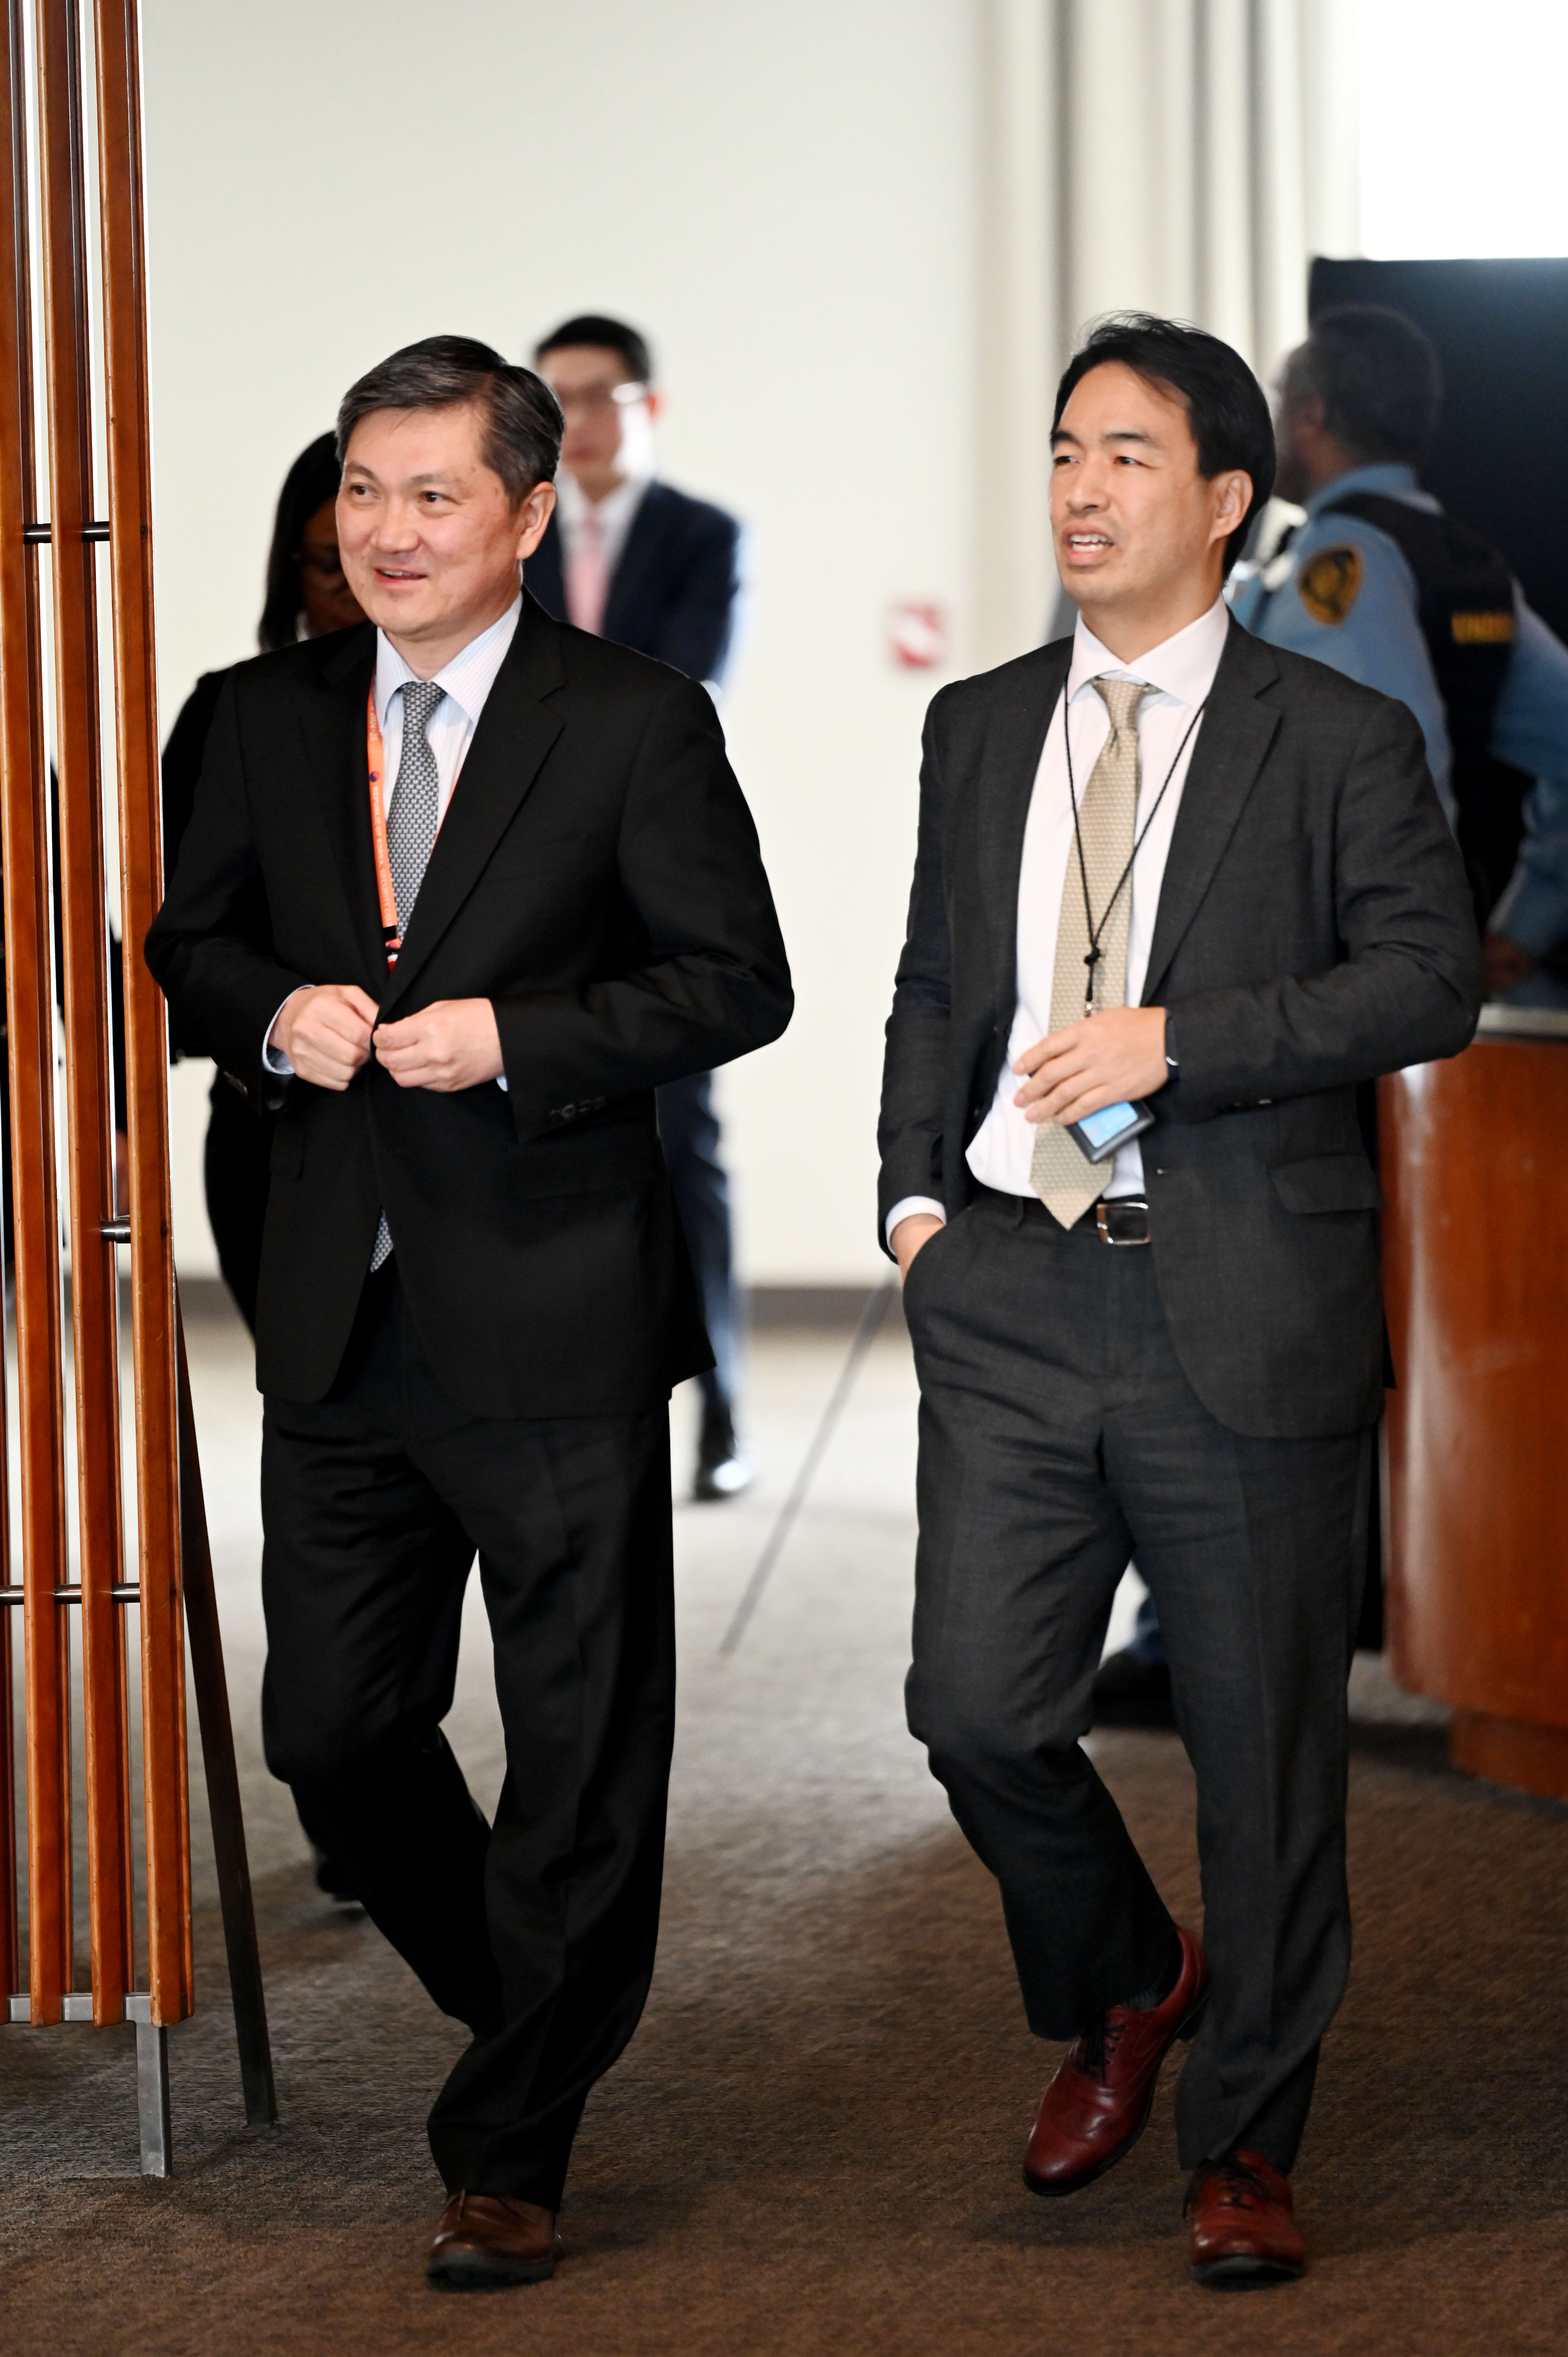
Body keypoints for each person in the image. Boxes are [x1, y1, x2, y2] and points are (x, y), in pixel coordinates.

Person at [146, 336, 791, 2291]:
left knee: (586, 1743)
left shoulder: (633, 718)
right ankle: (536, 1996)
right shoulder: (249, 712)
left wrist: (521, 1037)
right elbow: (187, 945)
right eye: (363, 490)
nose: (390, 531)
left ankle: (511, 2136)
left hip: (557, 1300)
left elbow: (728, 982)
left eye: (436, 496)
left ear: (527, 514)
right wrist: (271, 1011)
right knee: (333, 1732)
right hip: (334, 1293)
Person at [879, 314, 1479, 2286]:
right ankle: (1129, 1980)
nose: (1078, 486)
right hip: (1012, 1297)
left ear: (1226, 500)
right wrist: (907, 1207)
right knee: (972, 1708)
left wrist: (1175, 1040)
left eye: (1127, 455)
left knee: (1262, 1757)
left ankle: (1245, 2141)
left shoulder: (1336, 737)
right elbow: (929, 988)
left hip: (1241, 1299)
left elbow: (1422, 984)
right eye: (1064, 448)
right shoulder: (977, 726)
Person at [1105, 301, 1568, 1717]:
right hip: (1397, 1026)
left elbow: (1385, 762)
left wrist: (1383, 952)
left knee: (1235, 1296)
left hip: (1297, 1016)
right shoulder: (1468, 556)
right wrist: (1511, 930)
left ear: (1305, 425)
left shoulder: (1340, 563)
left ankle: (1202, 1643)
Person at [526, 314, 750, 1501]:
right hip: (531, 894)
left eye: (597, 395)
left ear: (644, 407)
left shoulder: (703, 535)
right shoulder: (509, 542)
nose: (577, 421)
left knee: (683, 1149)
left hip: (659, 889)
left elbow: (683, 690)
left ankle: (720, 1410)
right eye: (554, 399)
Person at [161, 432, 367, 1332]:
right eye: (332, 568)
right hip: (275, 1128)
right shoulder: (231, 713)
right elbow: (175, 936)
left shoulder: (545, 715)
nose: (363, 597)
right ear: (292, 570)